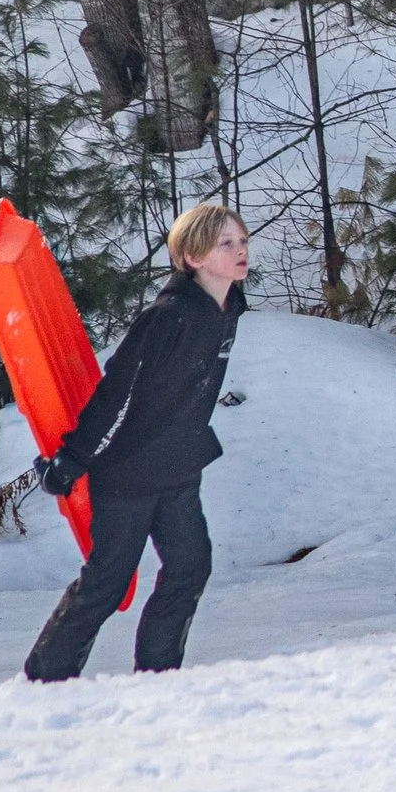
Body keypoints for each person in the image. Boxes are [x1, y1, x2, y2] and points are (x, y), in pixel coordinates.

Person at [23, 203, 250, 682]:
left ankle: (158, 678)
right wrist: (72, 458)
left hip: (179, 467)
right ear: (192, 257)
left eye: (242, 241)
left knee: (190, 568)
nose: (240, 250)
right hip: (129, 473)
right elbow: (116, 389)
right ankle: (45, 679)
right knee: (108, 582)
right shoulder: (167, 317)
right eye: (225, 243)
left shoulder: (229, 308)